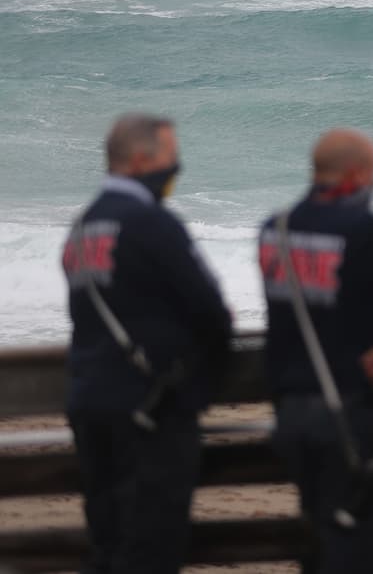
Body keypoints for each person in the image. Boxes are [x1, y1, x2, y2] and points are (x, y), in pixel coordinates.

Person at [259, 128, 373, 574]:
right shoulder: (365, 233)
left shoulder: (276, 230)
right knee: (359, 546)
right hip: (351, 410)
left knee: (318, 535)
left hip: (291, 413)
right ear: (358, 174)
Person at [62, 113, 233, 574]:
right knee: (151, 548)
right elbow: (213, 312)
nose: (176, 170)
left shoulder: (81, 228)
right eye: (171, 159)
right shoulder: (151, 224)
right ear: (141, 160)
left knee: (109, 540)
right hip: (149, 411)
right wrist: (199, 392)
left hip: (90, 405)